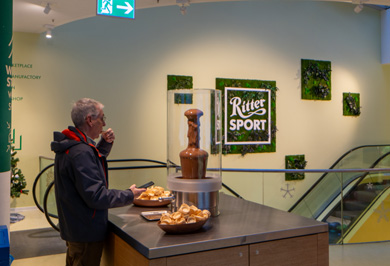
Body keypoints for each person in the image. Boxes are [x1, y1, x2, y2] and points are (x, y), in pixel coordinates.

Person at [51, 98, 145, 266]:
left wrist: (104, 145)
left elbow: (87, 169)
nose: (103, 124)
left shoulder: (72, 146)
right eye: (102, 118)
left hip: (75, 227)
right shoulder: (80, 152)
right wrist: (130, 195)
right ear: (90, 120)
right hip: (86, 231)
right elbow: (96, 196)